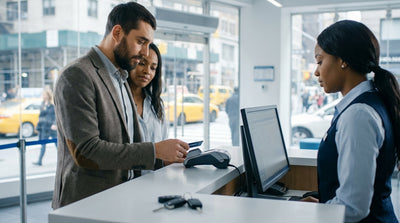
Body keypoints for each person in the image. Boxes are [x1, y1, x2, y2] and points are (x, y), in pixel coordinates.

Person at [52, 2, 189, 209]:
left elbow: (129, 142)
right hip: (87, 205)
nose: (145, 52)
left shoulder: (122, 77)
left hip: (121, 200)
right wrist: (155, 151)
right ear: (117, 33)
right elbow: (86, 152)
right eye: (141, 42)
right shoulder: (77, 75)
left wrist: (164, 159)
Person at [304, 20, 400, 223]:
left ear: (343, 60)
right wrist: (324, 206)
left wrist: (317, 213)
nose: (316, 72)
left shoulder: (358, 115)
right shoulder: (368, 103)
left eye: (320, 61)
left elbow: (353, 207)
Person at [128, 43, 168, 171]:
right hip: (124, 182)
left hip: (154, 180)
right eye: (142, 63)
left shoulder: (156, 104)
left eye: (153, 68)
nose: (147, 71)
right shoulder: (118, 100)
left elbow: (164, 142)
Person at [33, 88, 57, 166]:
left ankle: (63, 159)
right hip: (44, 127)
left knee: (57, 144)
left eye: (44, 94)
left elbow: (56, 115)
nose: (43, 96)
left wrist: (54, 124)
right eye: (42, 94)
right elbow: (41, 115)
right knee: (43, 144)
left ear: (48, 95)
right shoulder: (42, 104)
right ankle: (39, 161)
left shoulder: (52, 104)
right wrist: (38, 125)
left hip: (51, 127)